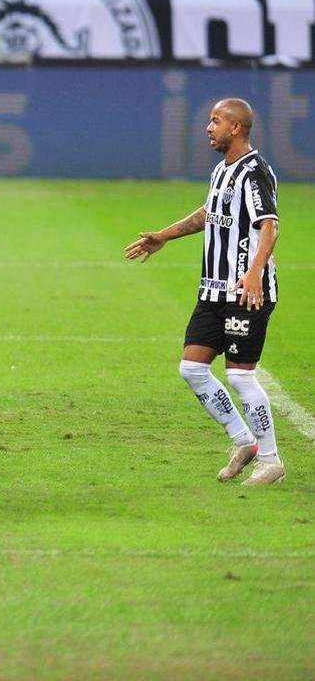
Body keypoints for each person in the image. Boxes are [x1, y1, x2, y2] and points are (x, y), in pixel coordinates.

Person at [125, 98, 284, 485]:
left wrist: (253, 274)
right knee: (193, 369)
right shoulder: (221, 171)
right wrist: (163, 236)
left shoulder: (255, 172)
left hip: (245, 292)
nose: (207, 128)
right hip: (212, 291)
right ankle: (243, 441)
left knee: (241, 377)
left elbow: (270, 226)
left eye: (215, 121)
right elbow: (208, 213)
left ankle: (271, 460)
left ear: (236, 128)